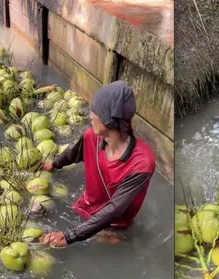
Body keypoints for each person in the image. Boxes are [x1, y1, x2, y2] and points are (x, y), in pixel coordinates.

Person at [40, 81, 156, 247]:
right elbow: (73, 154)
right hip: (85, 205)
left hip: (113, 222)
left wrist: (69, 236)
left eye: (94, 112)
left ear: (108, 120)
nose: (90, 116)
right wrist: (53, 164)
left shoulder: (142, 163)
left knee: (113, 243)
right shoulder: (90, 137)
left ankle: (105, 235)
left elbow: (114, 209)